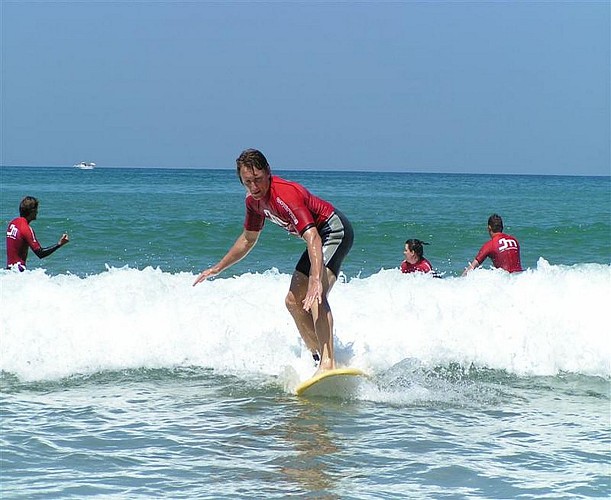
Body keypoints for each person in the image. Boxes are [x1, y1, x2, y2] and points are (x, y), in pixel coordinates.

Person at [193, 149, 354, 373]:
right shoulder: (253, 202)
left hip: (333, 231)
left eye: (258, 179)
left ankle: (329, 363)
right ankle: (319, 358)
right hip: (317, 239)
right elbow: (248, 239)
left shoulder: (285, 194)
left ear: (268, 173)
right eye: (248, 181)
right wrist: (218, 267)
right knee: (292, 301)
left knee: (316, 294)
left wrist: (316, 279)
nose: (254, 187)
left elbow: (313, 236)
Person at [6, 196, 69, 271]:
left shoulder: (12, 223)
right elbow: (40, 253)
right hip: (19, 271)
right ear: (32, 211)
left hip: (9, 270)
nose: (37, 212)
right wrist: (59, 244)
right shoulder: (26, 229)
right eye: (36, 209)